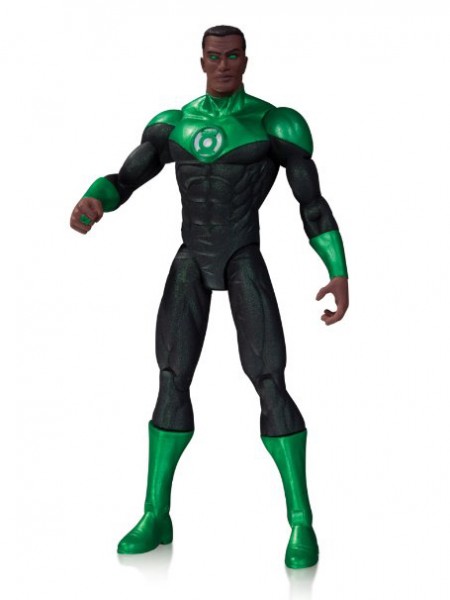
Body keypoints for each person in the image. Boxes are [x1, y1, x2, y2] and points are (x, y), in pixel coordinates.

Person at [70, 25, 349, 569]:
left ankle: (301, 521)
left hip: (242, 255)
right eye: (215, 56)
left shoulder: (274, 123)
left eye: (233, 56)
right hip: (191, 259)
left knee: (270, 380)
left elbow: (312, 203)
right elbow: (124, 179)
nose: (224, 65)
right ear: (201, 60)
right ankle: (155, 514)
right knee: (171, 377)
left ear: (246, 60)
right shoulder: (174, 123)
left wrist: (337, 271)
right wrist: (93, 200)